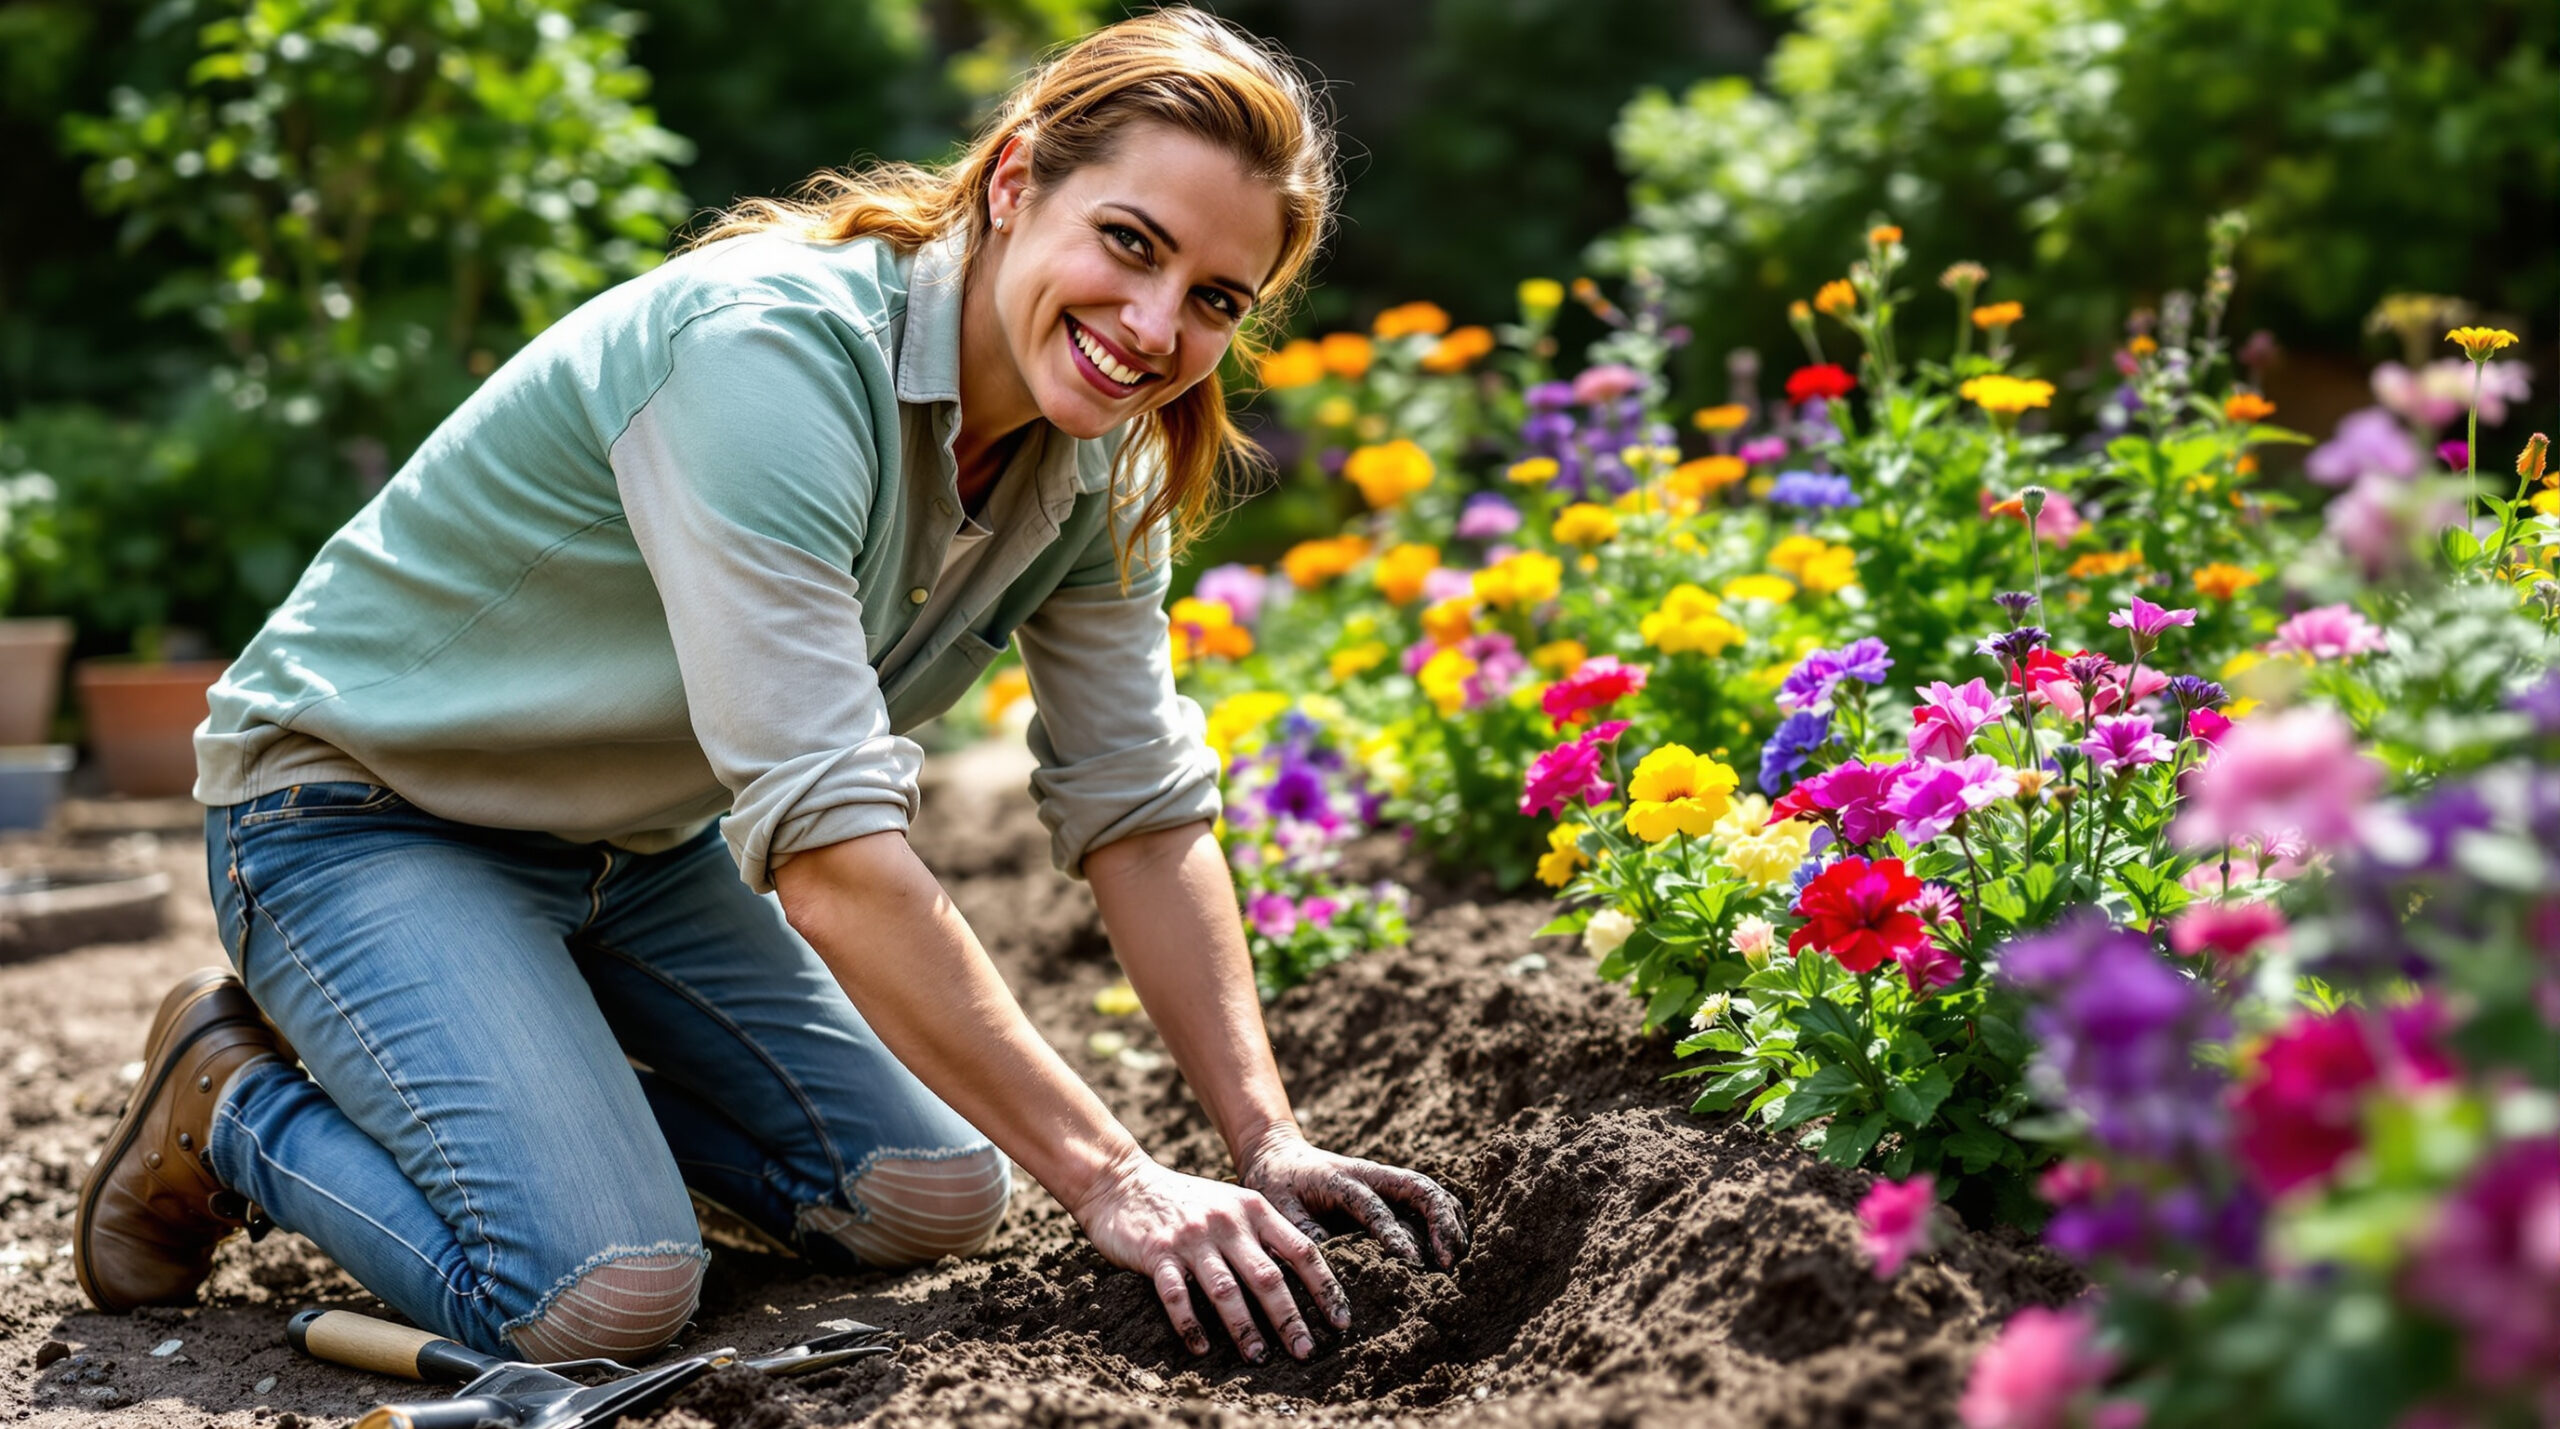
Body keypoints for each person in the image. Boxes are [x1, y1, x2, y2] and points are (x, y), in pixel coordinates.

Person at [73, 8, 1465, 1369]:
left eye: (1216, 299)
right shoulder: (772, 358)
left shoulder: (1098, 458)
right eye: (1130, 242)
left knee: (932, 1194)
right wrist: (1115, 1177)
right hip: (360, 811)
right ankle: (234, 1102)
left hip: (632, 848)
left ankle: (514, 1077)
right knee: (595, 1294)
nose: (1154, 325)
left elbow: (1140, 815)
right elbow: (833, 864)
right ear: (1014, 181)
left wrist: (1267, 1139)